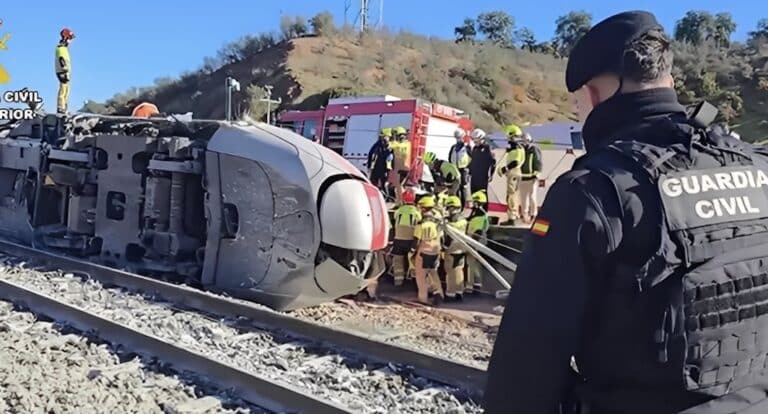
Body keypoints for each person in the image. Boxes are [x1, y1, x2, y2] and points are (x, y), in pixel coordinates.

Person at [484, 10, 768, 414]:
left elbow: (526, 366)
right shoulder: (758, 168)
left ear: (597, 94)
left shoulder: (592, 191)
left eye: (576, 101)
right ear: (667, 80)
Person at [411, 195, 445, 305]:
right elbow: (442, 238)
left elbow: (416, 241)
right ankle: (439, 294)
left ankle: (423, 299)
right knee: (434, 274)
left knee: (421, 277)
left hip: (424, 251)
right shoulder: (437, 222)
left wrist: (412, 252)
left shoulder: (421, 224)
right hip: (435, 251)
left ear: (424, 209)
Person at [496, 125, 526, 225]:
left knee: (511, 195)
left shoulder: (516, 148)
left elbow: (516, 162)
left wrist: (505, 169)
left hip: (513, 172)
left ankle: (512, 218)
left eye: (509, 137)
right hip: (516, 172)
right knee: (515, 194)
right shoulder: (518, 147)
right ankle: (515, 215)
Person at [390, 189, 421, 286]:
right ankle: (414, 281)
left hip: (398, 240)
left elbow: (395, 218)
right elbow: (419, 221)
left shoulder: (399, 211)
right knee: (412, 260)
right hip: (410, 240)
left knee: (398, 260)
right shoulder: (416, 212)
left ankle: (398, 281)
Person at [442, 195, 469, 301]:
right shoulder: (463, 220)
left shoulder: (449, 222)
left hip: (452, 249)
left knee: (450, 272)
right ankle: (459, 292)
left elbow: (448, 238)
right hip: (462, 248)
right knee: (459, 270)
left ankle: (450, 294)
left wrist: (444, 247)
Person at [465, 190, 490, 293]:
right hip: (479, 241)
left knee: (471, 263)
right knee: (475, 264)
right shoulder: (479, 213)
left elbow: (478, 232)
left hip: (475, 242)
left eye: (474, 202)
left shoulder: (479, 215)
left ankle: (470, 286)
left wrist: (471, 244)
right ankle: (477, 283)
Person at [518, 132, 543, 223]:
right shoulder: (520, 150)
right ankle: (524, 216)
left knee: (532, 197)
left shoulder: (534, 150)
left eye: (526, 141)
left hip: (532, 178)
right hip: (522, 178)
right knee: (523, 198)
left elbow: (538, 163)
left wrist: (536, 175)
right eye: (523, 141)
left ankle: (533, 215)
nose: (524, 143)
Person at [468, 128, 496, 196]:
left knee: (482, 195)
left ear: (481, 138)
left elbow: (493, 162)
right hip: (474, 176)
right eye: (474, 139)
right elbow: (473, 161)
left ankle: (483, 207)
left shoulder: (487, 148)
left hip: (483, 177)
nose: (474, 141)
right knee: (474, 194)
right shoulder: (474, 148)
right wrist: (469, 172)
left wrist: (491, 174)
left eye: (476, 139)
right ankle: (475, 206)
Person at [449, 129, 472, 207]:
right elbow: (450, 158)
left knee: (463, 187)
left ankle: (463, 205)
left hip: (463, 169)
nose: (458, 139)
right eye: (457, 137)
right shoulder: (453, 147)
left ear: (463, 137)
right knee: (455, 187)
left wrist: (469, 168)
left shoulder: (466, 147)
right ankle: (456, 204)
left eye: (459, 137)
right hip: (455, 169)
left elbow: (472, 158)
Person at [389, 126, 412, 204]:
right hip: (403, 168)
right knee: (399, 186)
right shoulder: (407, 144)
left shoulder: (402, 144)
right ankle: (401, 201)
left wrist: (393, 138)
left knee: (398, 186)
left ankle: (400, 202)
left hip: (402, 168)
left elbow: (391, 145)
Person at [367, 128, 394, 193]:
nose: (383, 138)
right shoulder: (378, 144)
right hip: (377, 167)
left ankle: (386, 197)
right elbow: (371, 153)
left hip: (384, 168)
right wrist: (369, 165)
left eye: (384, 136)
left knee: (383, 184)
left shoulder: (390, 146)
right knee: (374, 183)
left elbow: (393, 158)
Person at [55, 28, 75, 114]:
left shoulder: (64, 48)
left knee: (66, 90)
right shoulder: (61, 48)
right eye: (70, 38)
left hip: (66, 72)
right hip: (63, 71)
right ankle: (60, 108)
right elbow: (61, 59)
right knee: (63, 90)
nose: (71, 41)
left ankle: (64, 107)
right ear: (66, 38)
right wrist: (64, 68)